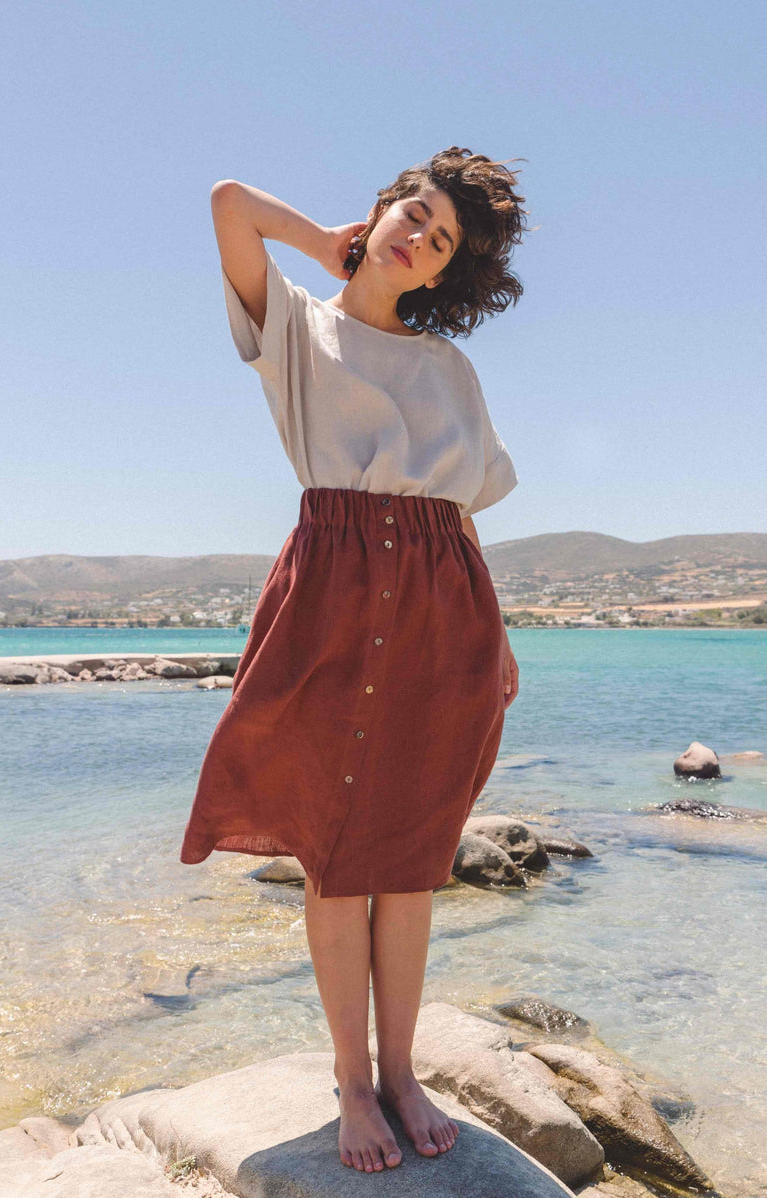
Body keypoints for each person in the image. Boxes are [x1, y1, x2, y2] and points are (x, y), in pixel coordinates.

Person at [180, 146, 526, 1175]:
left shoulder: (450, 371)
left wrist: (494, 640)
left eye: (440, 240)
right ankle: (349, 1081)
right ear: (378, 212)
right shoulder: (296, 327)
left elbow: (459, 519)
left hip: (438, 608)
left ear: (441, 276)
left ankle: (402, 1071)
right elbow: (227, 202)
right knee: (334, 852)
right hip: (331, 598)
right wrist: (319, 238)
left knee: (411, 859)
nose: (416, 235)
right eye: (412, 211)